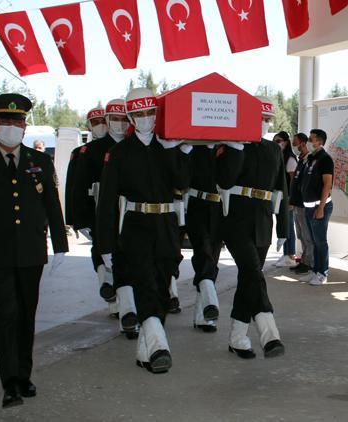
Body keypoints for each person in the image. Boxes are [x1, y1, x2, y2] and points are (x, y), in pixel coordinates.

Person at [96, 87, 192, 373]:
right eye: (139, 113)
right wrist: (106, 246)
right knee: (145, 284)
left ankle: (144, 352)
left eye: (151, 112)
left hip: (165, 225)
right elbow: (107, 202)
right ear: (131, 117)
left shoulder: (167, 148)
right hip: (135, 226)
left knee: (163, 287)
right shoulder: (119, 153)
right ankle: (160, 346)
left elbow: (182, 184)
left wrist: (177, 150)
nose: (147, 118)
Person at [0, 93, 68, 408]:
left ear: (25, 126)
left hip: (31, 251)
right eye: (5, 120)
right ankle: (10, 382)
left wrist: (61, 245)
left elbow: (51, 204)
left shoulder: (38, 161)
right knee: (6, 315)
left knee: (26, 315)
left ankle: (24, 376)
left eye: (17, 121)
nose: (11, 126)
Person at [215, 96, 287, 359]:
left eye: (267, 120)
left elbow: (281, 189)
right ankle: (270, 334)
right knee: (253, 272)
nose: (264, 124)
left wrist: (283, 230)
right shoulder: (231, 146)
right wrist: (235, 149)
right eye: (260, 119)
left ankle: (237, 337)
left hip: (263, 220)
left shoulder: (273, 150)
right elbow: (223, 180)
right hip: (236, 219)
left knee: (248, 279)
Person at [73, 102, 131, 322]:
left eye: (125, 119)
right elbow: (79, 188)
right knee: (104, 253)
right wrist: (80, 219)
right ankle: (116, 301)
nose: (120, 124)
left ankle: (123, 303)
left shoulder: (133, 145)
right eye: (115, 119)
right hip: (99, 211)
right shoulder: (91, 151)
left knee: (125, 258)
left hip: (127, 213)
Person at [186, 143, 223, 333]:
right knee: (203, 252)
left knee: (212, 258)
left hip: (219, 209)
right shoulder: (193, 147)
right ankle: (210, 301)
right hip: (197, 205)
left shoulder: (227, 147)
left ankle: (202, 315)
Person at [299, 129, 335, 286]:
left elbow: (327, 184)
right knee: (313, 240)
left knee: (320, 241)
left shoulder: (325, 159)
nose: (308, 141)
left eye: (310, 139)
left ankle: (322, 273)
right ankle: (315, 271)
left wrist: (320, 208)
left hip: (319, 207)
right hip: (308, 207)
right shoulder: (311, 158)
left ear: (319, 141)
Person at [273, 131, 299, 268]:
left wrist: (291, 199)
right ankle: (286, 255)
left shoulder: (290, 158)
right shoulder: (280, 156)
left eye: (279, 141)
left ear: (286, 142)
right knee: (284, 224)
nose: (277, 143)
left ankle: (290, 255)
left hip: (288, 198)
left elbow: (293, 181)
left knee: (288, 225)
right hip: (281, 197)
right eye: (275, 141)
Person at [288, 133, 313, 275]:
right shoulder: (301, 159)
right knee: (301, 235)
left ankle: (309, 263)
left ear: (303, 143)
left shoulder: (309, 160)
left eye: (295, 142)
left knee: (307, 235)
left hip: (304, 204)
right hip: (297, 203)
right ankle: (304, 260)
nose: (294, 145)